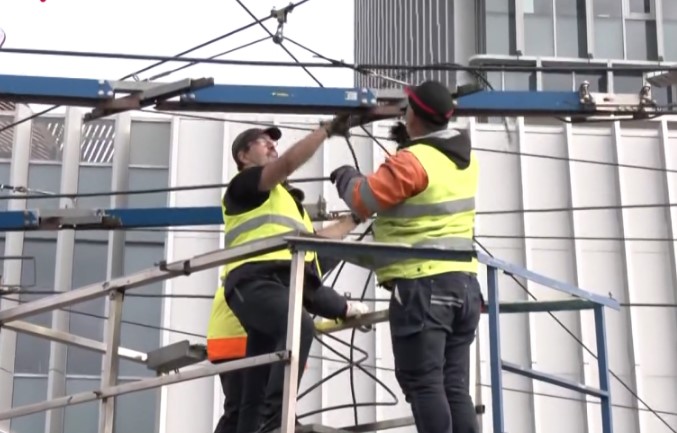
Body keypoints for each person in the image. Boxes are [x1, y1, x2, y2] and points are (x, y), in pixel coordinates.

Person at [329, 80, 483, 433]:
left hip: (423, 285)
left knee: (424, 383)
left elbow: (362, 199)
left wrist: (345, 176)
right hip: (464, 285)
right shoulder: (466, 161)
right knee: (453, 386)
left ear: (412, 113)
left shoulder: (413, 162)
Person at [221, 118, 370, 433]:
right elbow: (287, 164)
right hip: (254, 282)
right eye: (263, 141)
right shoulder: (244, 185)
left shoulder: (286, 203)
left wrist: (357, 218)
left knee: (258, 375)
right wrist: (325, 131)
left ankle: (256, 425)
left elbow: (318, 242)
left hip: (280, 283)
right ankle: (277, 420)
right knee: (297, 324)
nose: (272, 145)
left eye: (274, 141)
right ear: (243, 156)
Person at [206, 288, 248, 433]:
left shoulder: (234, 283)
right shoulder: (256, 282)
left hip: (230, 344)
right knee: (239, 407)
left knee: (240, 406)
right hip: (237, 344)